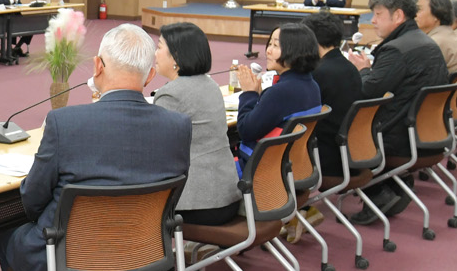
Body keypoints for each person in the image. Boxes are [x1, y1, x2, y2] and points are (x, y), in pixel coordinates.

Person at [0, 25, 190, 271]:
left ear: (98, 66)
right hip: (143, 262)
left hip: (71, 266)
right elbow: (171, 201)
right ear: (150, 75)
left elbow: (32, 199)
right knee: (109, 226)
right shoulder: (178, 126)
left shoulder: (65, 123)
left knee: (8, 239)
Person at [345, 0, 449, 222]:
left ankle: (379, 192)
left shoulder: (396, 49)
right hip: (427, 132)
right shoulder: (426, 42)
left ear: (398, 15)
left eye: (378, 14)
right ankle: (392, 185)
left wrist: (363, 71)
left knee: (339, 131)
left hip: (397, 137)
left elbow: (367, 92)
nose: (372, 20)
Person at [151, 22, 242, 226]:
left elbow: (156, 150)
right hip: (228, 197)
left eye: (159, 47)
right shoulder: (210, 84)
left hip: (198, 205)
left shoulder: (171, 94)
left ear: (176, 56)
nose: (154, 54)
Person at [235, 23, 322, 158]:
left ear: (295, 51)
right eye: (269, 44)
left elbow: (245, 130)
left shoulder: (280, 92)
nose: (268, 51)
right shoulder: (312, 85)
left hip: (258, 165)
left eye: (275, 45)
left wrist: (248, 93)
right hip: (292, 163)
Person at [304, 12, 362, 179]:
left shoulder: (319, 73)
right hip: (351, 152)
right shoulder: (350, 67)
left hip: (326, 158)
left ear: (312, 40)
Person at [415, 0, 457, 77]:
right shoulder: (447, 34)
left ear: (436, 15)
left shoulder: (434, 42)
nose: (414, 14)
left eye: (419, 9)